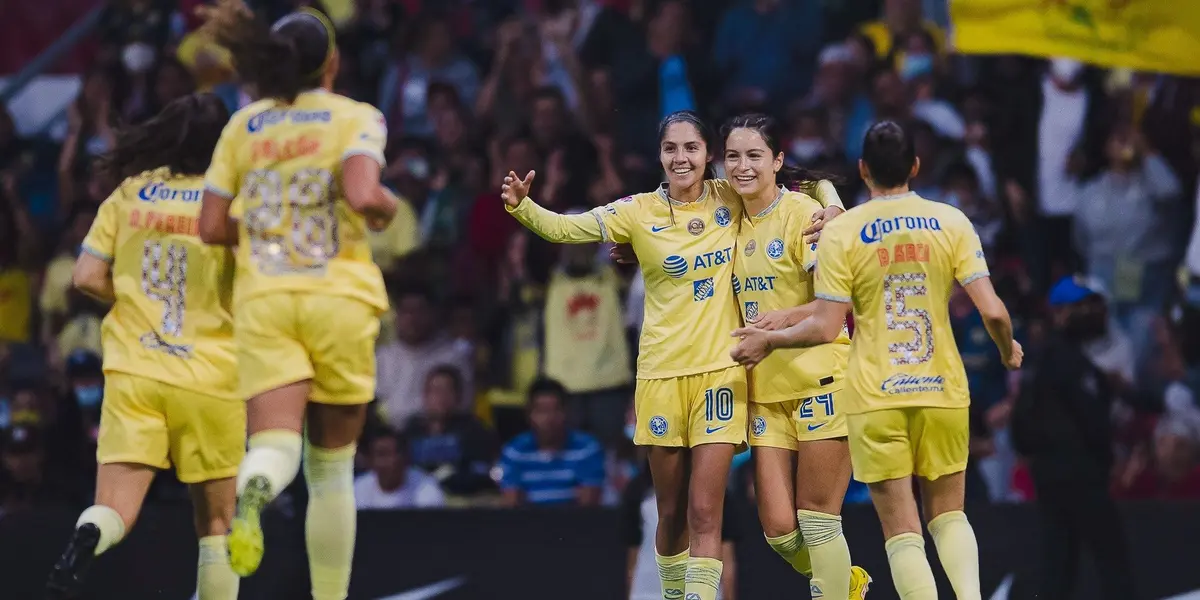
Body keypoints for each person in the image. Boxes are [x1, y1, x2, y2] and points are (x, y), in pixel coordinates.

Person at [501, 111, 835, 600]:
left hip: (722, 373)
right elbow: (567, 229)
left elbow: (803, 186)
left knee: (705, 510)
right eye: (672, 149)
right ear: (660, 156)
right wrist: (523, 208)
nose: (682, 158)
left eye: (692, 148)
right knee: (671, 513)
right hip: (660, 376)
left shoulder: (731, 196)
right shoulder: (636, 212)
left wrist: (835, 205)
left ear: (708, 156)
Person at [731, 121, 1022, 600]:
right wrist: (1007, 348)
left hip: (874, 394)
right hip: (941, 387)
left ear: (863, 170)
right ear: (915, 166)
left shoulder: (843, 229)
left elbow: (826, 326)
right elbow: (992, 309)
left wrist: (769, 341)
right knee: (948, 517)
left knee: (902, 530)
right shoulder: (951, 220)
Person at [197, 3, 399, 599]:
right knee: (332, 467)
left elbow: (210, 225)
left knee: (275, 444)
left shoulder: (244, 125)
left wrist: (267, 230)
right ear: (331, 62)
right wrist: (387, 206)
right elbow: (363, 193)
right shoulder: (355, 117)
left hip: (266, 301)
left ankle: (255, 486)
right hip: (338, 297)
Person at [46, 93, 243, 600]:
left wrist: (134, 298)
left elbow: (87, 276)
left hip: (134, 372)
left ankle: (92, 532)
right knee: (218, 525)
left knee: (115, 509)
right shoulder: (232, 207)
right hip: (211, 378)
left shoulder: (131, 192)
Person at [719, 114, 871, 599]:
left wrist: (781, 320)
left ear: (778, 161)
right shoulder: (727, 216)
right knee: (779, 529)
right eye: (734, 157)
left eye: (754, 156)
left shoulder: (805, 216)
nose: (743, 166)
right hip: (767, 392)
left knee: (817, 519)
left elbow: (834, 306)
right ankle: (845, 584)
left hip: (821, 380)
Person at [1010, 275, 1136, 600]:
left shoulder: (1040, 357)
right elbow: (1092, 420)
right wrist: (1104, 459)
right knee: (1111, 559)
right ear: (1062, 313)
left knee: (1058, 562)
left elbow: (1020, 421)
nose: (1094, 314)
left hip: (1048, 473)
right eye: (1085, 307)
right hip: (1079, 472)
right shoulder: (1069, 361)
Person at [498, 379, 605, 506]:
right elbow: (511, 505)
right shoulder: (514, 451)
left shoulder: (587, 449)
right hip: (528, 524)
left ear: (566, 412)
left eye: (555, 410)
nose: (549, 418)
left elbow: (589, 505)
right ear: (529, 414)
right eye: (542, 411)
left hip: (575, 524)